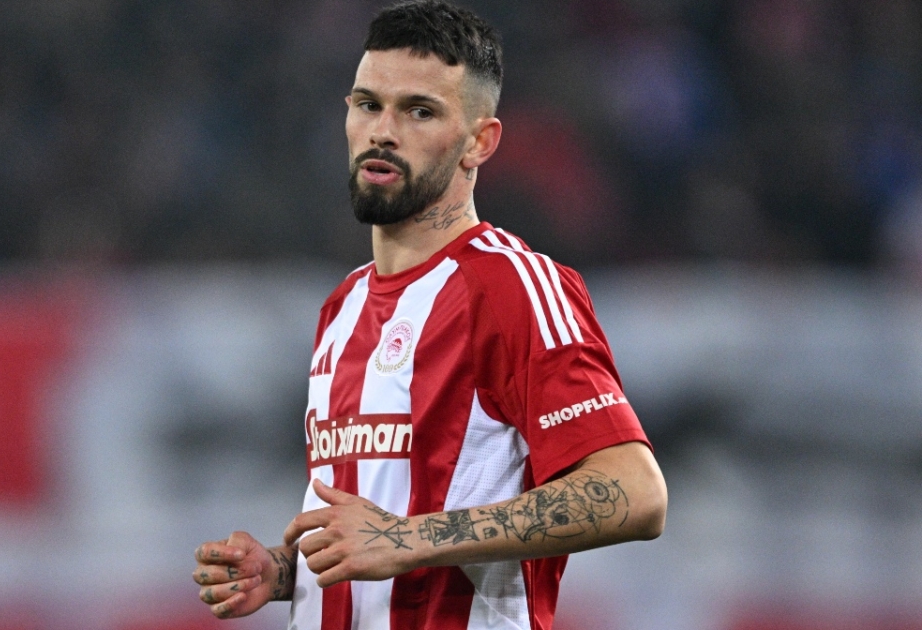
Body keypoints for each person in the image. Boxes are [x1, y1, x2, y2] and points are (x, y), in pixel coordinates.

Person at [191, 2, 668, 629]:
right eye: (368, 105)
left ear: (479, 142)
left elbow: (634, 492)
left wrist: (405, 539)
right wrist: (287, 573)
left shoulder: (512, 286)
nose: (383, 132)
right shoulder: (343, 306)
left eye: (420, 111)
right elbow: (379, 528)